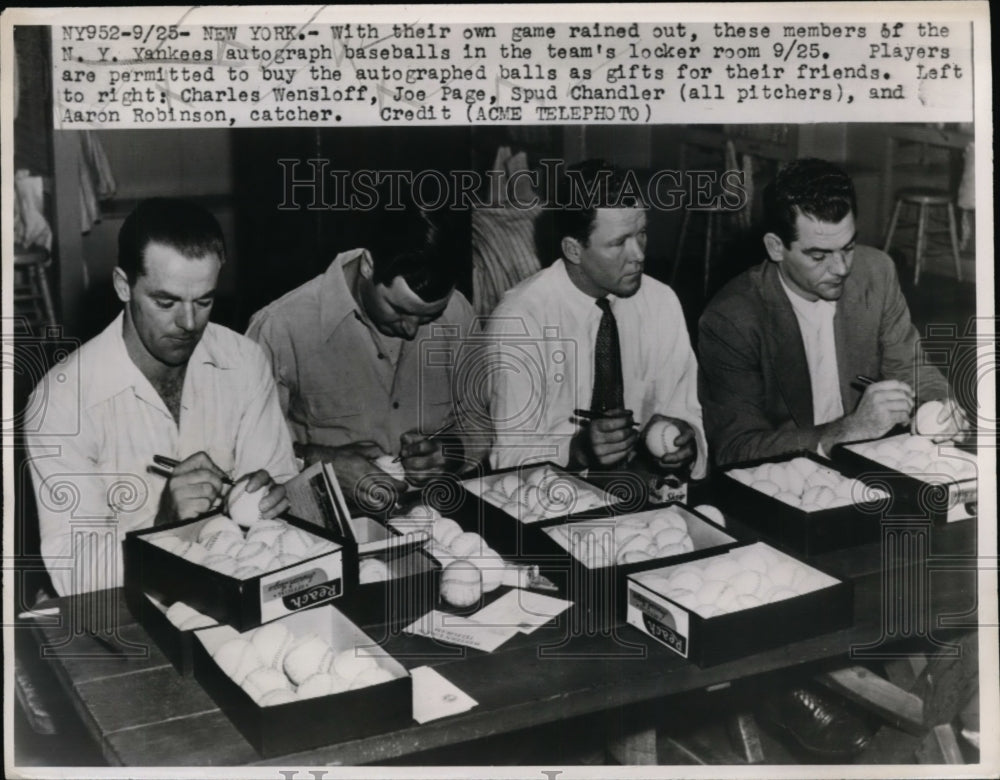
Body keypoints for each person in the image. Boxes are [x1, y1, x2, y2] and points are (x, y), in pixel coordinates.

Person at [26, 199, 297, 596]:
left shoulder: (243, 361)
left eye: (204, 301)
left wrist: (276, 498)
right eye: (165, 302)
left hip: (234, 591)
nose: (189, 324)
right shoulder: (63, 401)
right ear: (124, 285)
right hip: (127, 611)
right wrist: (163, 524)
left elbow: (279, 514)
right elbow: (74, 575)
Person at [699, 157, 963, 466]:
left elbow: (911, 370)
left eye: (848, 247)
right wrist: (847, 430)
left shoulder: (876, 273)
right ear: (775, 247)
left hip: (869, 464)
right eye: (818, 256)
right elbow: (735, 448)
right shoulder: (731, 319)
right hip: (787, 478)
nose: (841, 269)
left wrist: (941, 407)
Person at [246, 199, 485, 510]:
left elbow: (482, 421)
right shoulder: (280, 329)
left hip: (440, 521)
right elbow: (247, 458)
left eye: (428, 318)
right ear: (368, 264)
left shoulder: (458, 314)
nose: (412, 330)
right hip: (327, 528)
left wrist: (450, 451)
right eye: (399, 310)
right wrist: (321, 463)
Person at [487, 159, 706, 478]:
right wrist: (577, 451)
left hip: (645, 496)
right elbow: (507, 459)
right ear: (574, 250)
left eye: (641, 234)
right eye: (619, 243)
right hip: (553, 503)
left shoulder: (661, 302)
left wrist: (687, 439)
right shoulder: (520, 320)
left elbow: (684, 410)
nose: (639, 255)